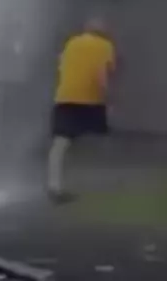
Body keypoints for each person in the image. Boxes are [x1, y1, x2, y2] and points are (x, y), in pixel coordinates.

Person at [46, 16, 117, 203]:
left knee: (60, 143)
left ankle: (55, 186)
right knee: (101, 137)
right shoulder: (105, 45)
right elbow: (103, 75)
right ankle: (103, 181)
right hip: (91, 100)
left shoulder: (71, 42)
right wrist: (108, 99)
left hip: (66, 97)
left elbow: (61, 63)